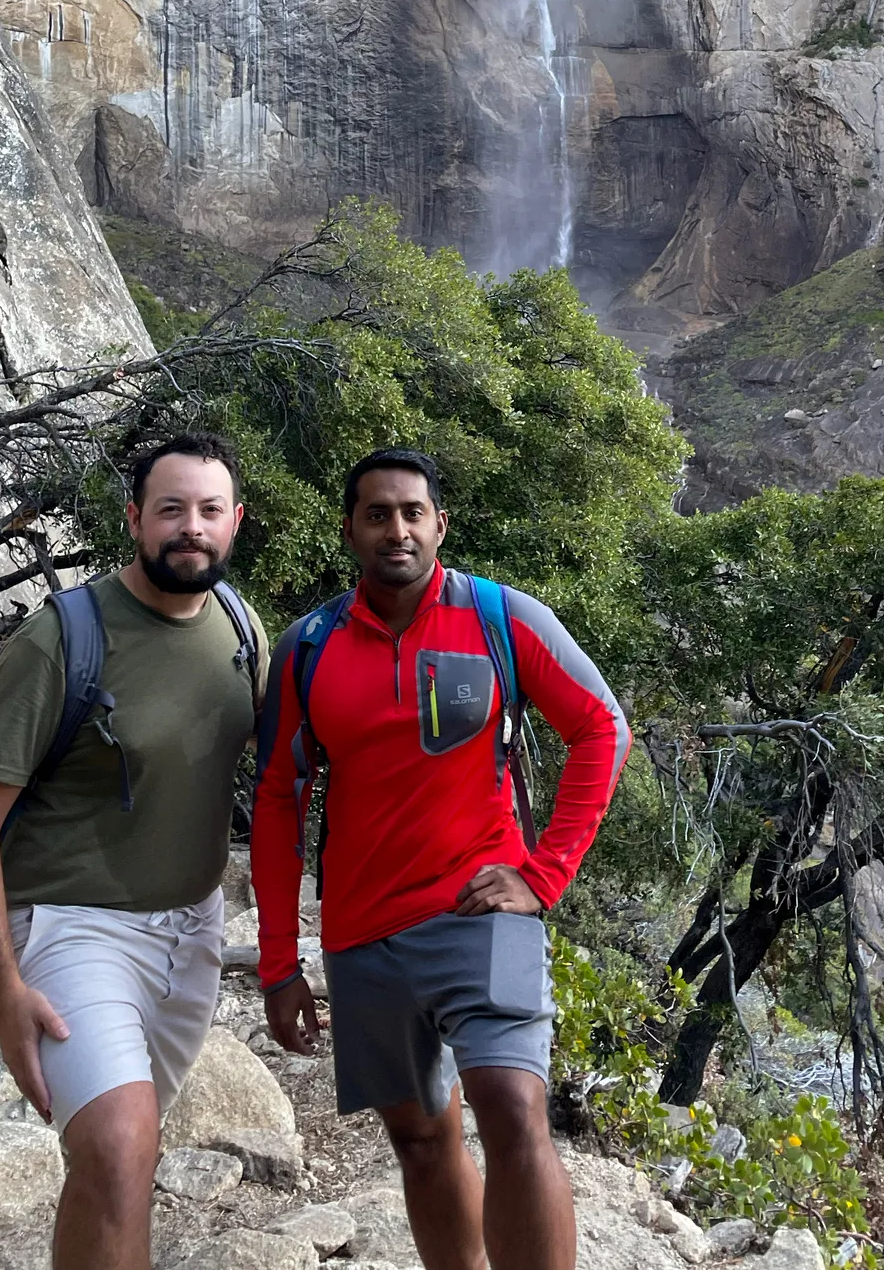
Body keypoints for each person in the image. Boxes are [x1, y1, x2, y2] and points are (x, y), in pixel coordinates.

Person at [252, 447, 630, 1270]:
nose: (396, 529)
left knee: (512, 1107)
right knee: (421, 1140)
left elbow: (602, 726)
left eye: (412, 512)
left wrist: (542, 875)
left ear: (439, 525)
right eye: (377, 514)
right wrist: (278, 962)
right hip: (363, 932)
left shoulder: (501, 617)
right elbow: (279, 799)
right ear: (349, 529)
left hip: (480, 906)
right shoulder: (308, 647)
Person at [0, 433, 267, 1270]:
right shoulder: (60, 639)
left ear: (234, 521)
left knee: (123, 1158)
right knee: (119, 1146)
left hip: (192, 930)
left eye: (208, 510)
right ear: (133, 518)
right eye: (170, 508)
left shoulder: (239, 629)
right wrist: (1, 989)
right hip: (71, 923)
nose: (190, 527)